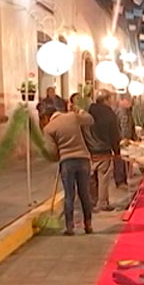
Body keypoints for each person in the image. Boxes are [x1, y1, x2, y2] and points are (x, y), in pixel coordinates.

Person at [43, 97, 95, 235]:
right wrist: (79, 110)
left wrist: (57, 156)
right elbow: (90, 120)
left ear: (48, 117)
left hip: (67, 161)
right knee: (84, 193)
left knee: (69, 194)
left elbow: (51, 151)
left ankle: (70, 226)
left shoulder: (49, 128)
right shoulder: (73, 117)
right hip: (83, 159)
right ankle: (88, 225)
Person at [85, 91, 120, 212]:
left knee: (91, 178)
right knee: (103, 178)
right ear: (106, 100)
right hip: (104, 150)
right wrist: (117, 152)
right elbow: (114, 134)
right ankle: (102, 202)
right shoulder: (109, 114)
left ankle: (91, 202)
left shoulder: (88, 111)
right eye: (110, 99)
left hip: (90, 150)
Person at [114, 96, 137, 187]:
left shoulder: (126, 112)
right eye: (128, 101)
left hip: (124, 140)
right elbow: (124, 127)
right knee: (121, 160)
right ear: (122, 100)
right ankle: (121, 180)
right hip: (123, 141)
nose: (130, 103)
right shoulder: (122, 112)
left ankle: (122, 179)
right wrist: (125, 139)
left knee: (124, 160)